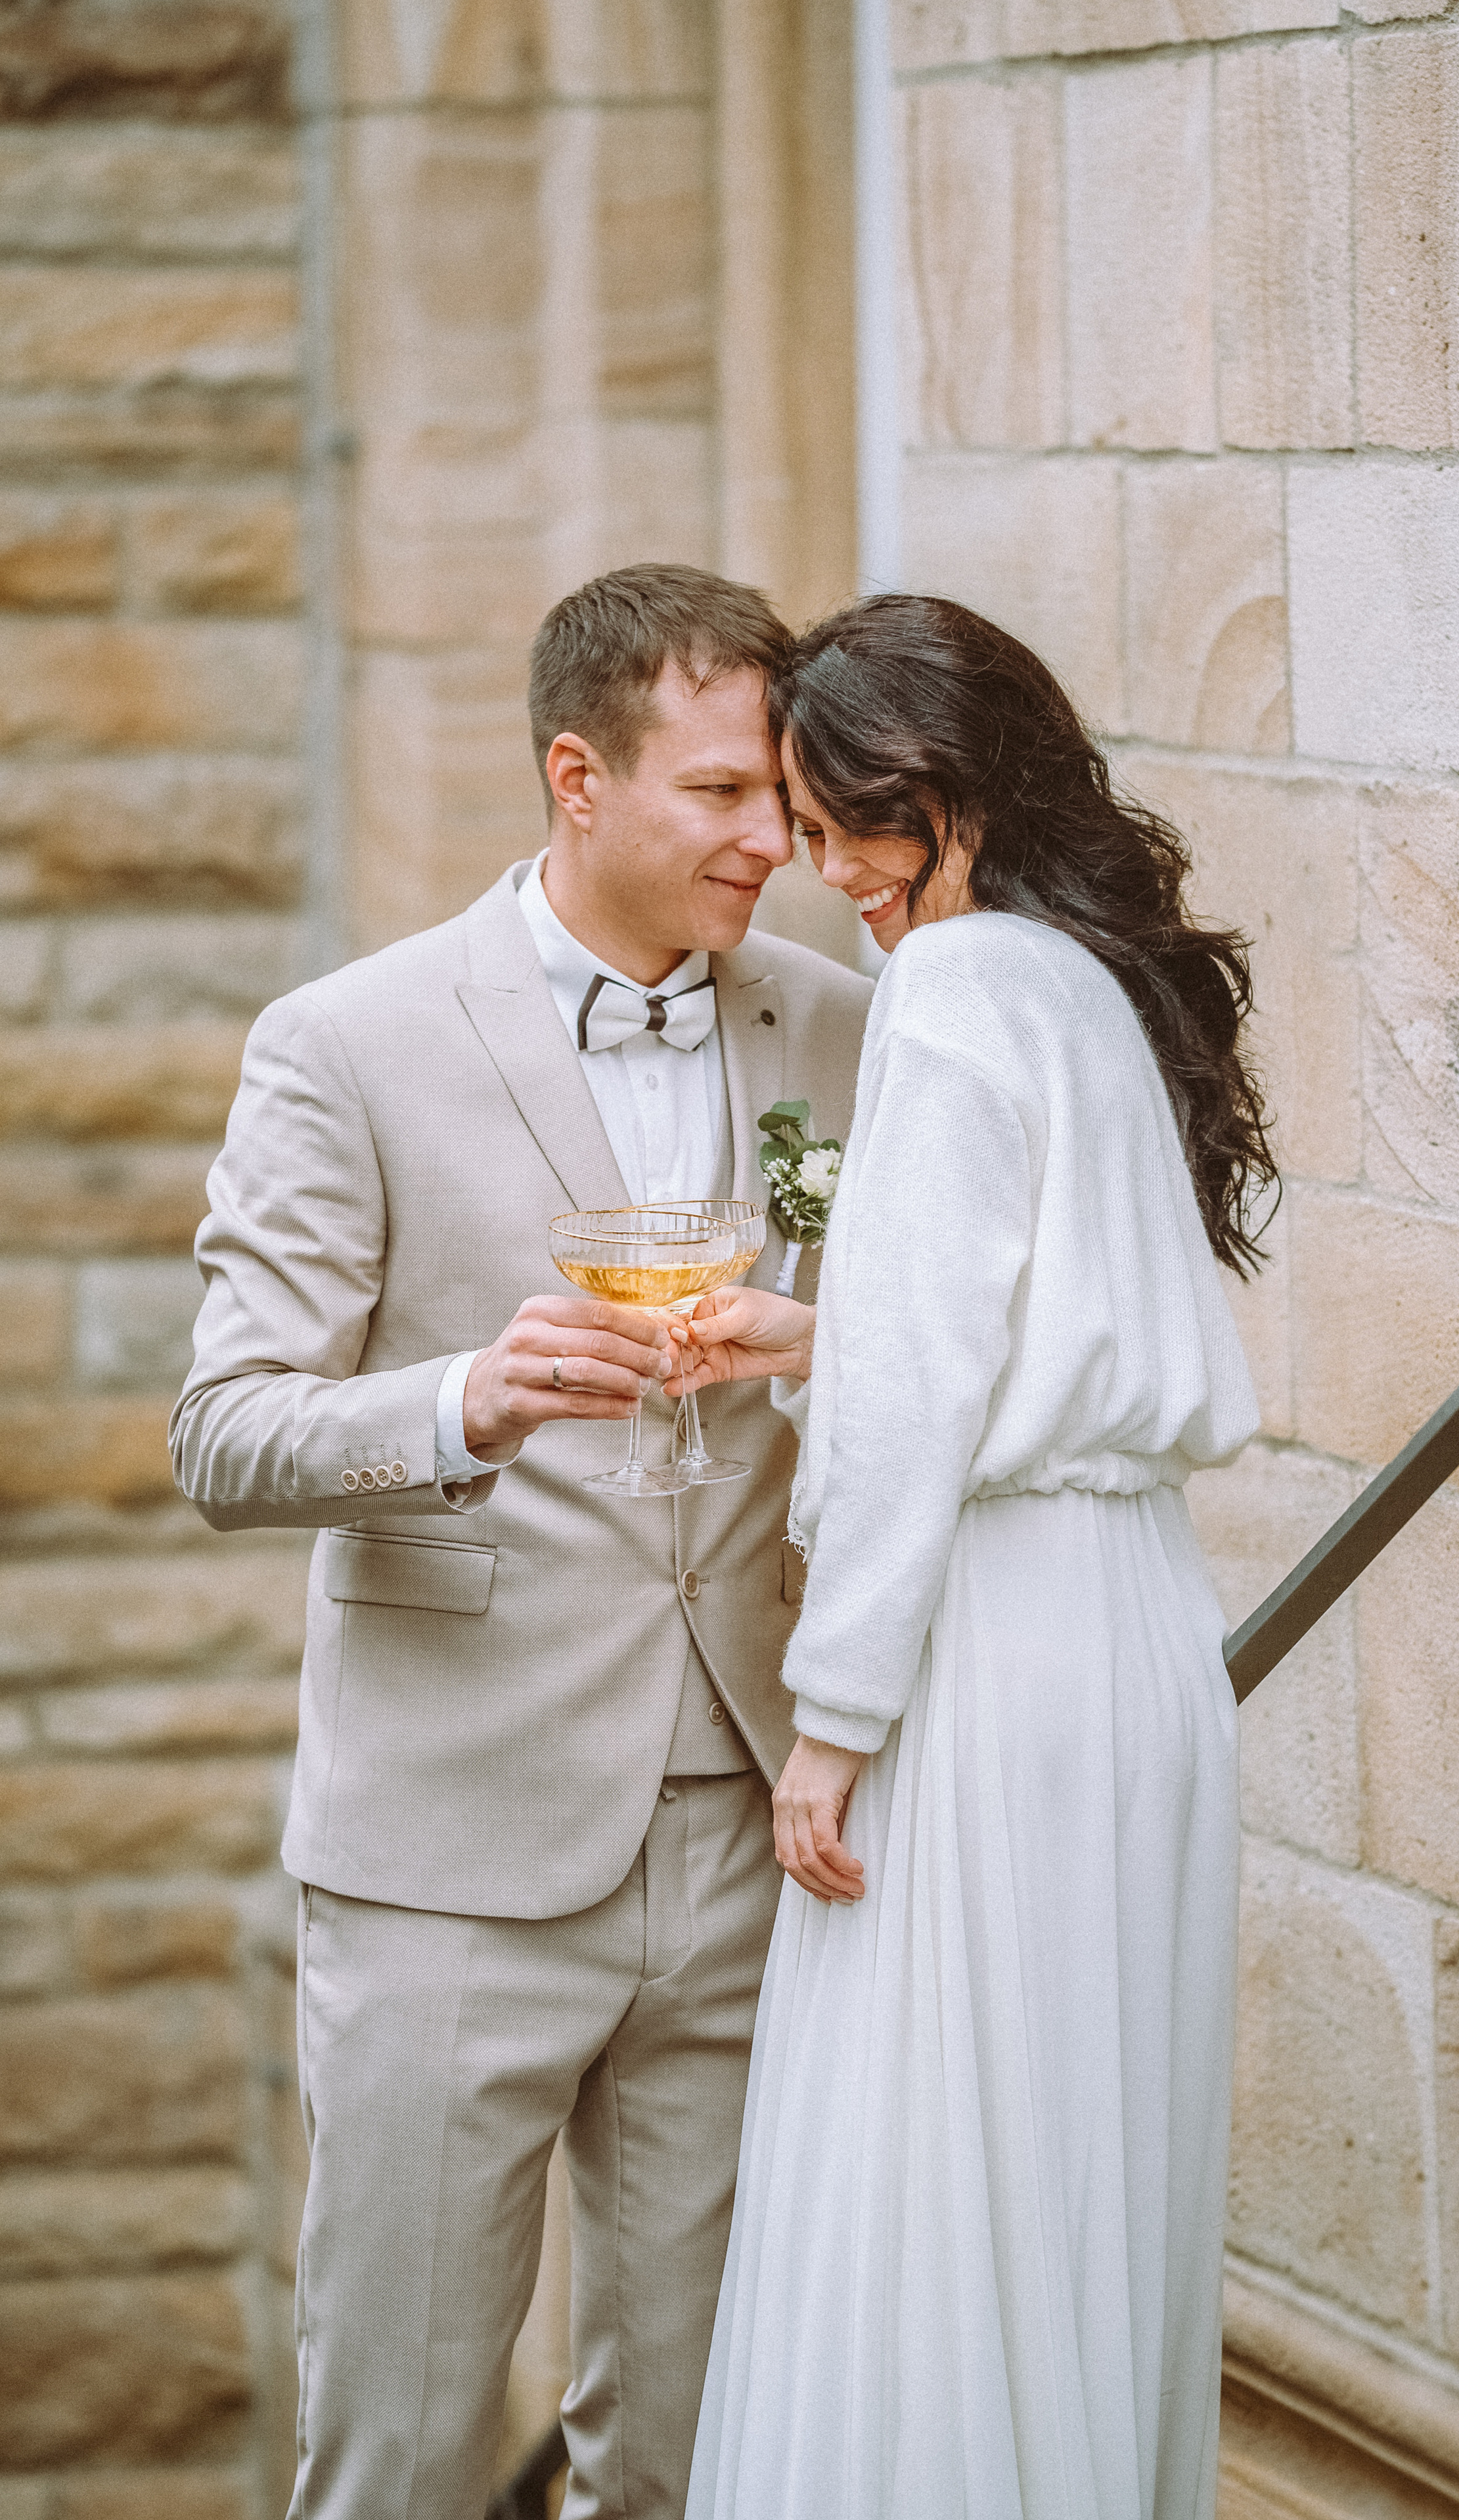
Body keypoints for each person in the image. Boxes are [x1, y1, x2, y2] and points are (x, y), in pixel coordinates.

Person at [169, 564, 874, 2520]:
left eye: (783, 797)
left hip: (754, 1836)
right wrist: (462, 1403)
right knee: (400, 2450)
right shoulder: (348, 1040)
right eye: (722, 794)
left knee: (702, 2454)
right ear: (579, 778)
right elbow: (223, 1433)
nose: (773, 839)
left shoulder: (844, 1025)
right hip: (449, 1858)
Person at [673, 595, 1274, 2520]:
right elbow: (1030, 1330)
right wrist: (814, 1336)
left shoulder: (948, 986)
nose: (822, 869)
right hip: (1134, 1626)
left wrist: (832, 1722)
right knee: (1079, 2160)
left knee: (932, 2163)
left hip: (993, 1640)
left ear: (943, 789)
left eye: (841, 821)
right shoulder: (1090, 983)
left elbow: (931, 1396)